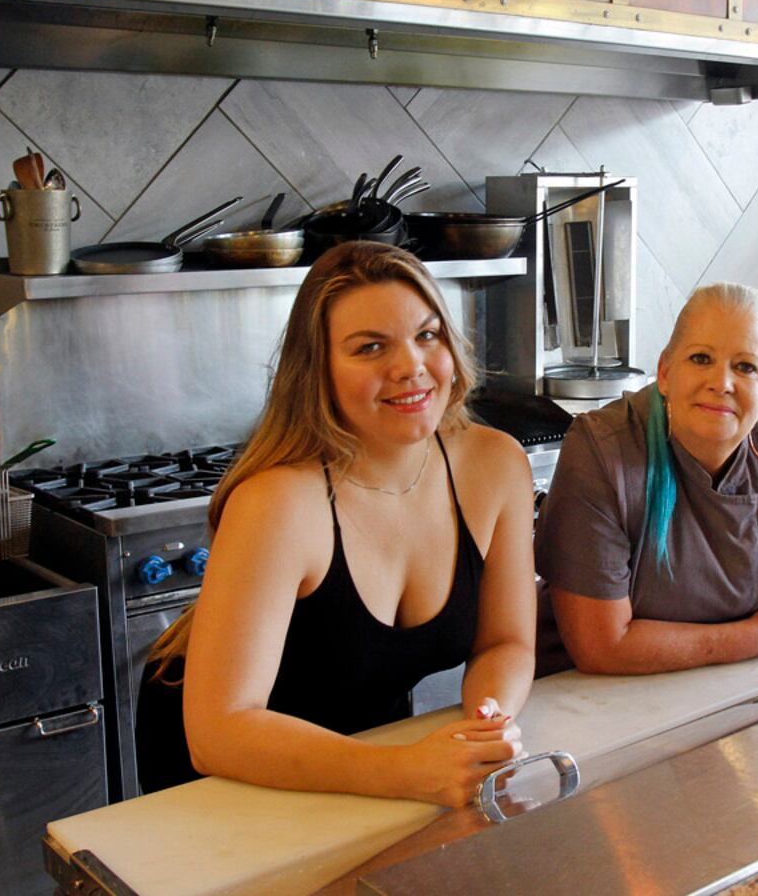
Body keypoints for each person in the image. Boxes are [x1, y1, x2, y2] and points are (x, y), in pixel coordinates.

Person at [136, 242, 536, 806]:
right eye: (370, 347)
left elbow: (507, 642)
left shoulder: (494, 466)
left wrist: (488, 721)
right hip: (231, 773)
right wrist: (406, 770)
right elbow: (218, 732)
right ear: (317, 371)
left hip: (367, 749)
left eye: (427, 335)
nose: (410, 367)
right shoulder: (278, 503)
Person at [535, 283, 758, 676]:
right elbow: (601, 647)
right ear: (664, 372)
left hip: (742, 682)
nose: (721, 383)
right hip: (591, 697)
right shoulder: (603, 451)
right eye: (701, 358)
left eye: (745, 367)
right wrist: (757, 635)